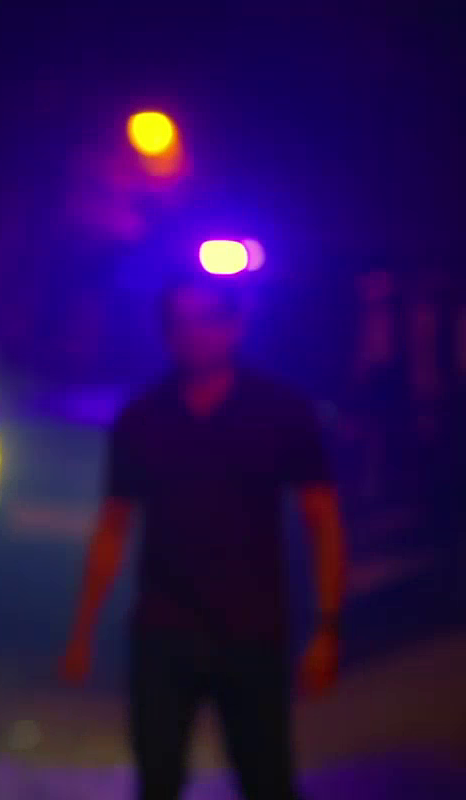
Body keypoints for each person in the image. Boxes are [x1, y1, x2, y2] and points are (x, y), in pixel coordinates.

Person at [60, 275, 347, 800]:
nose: (192, 334)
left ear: (235, 327)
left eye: (205, 321)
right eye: (179, 323)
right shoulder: (145, 416)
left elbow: (323, 521)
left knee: (266, 778)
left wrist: (327, 627)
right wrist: (82, 633)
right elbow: (114, 526)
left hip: (252, 630)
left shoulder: (280, 410)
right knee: (158, 779)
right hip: (164, 628)